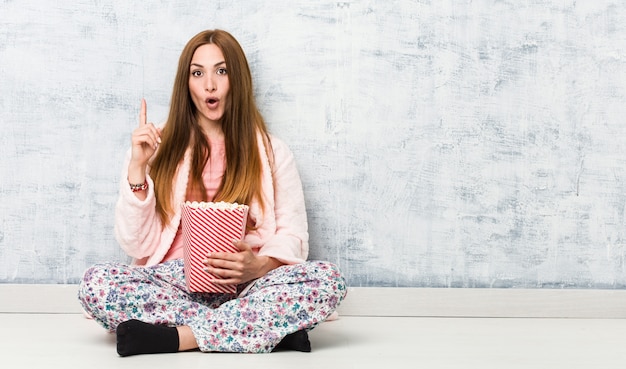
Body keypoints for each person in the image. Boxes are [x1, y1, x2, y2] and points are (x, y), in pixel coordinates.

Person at [78, 29, 347, 356]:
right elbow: (137, 244)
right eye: (197, 73)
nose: (210, 84)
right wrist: (138, 170)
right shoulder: (155, 148)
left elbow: (293, 234)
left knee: (327, 280)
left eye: (222, 71)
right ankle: (265, 331)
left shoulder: (274, 151)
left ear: (238, 79)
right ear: (186, 83)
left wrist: (257, 266)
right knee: (96, 283)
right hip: (175, 282)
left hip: (248, 287)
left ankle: (177, 338)